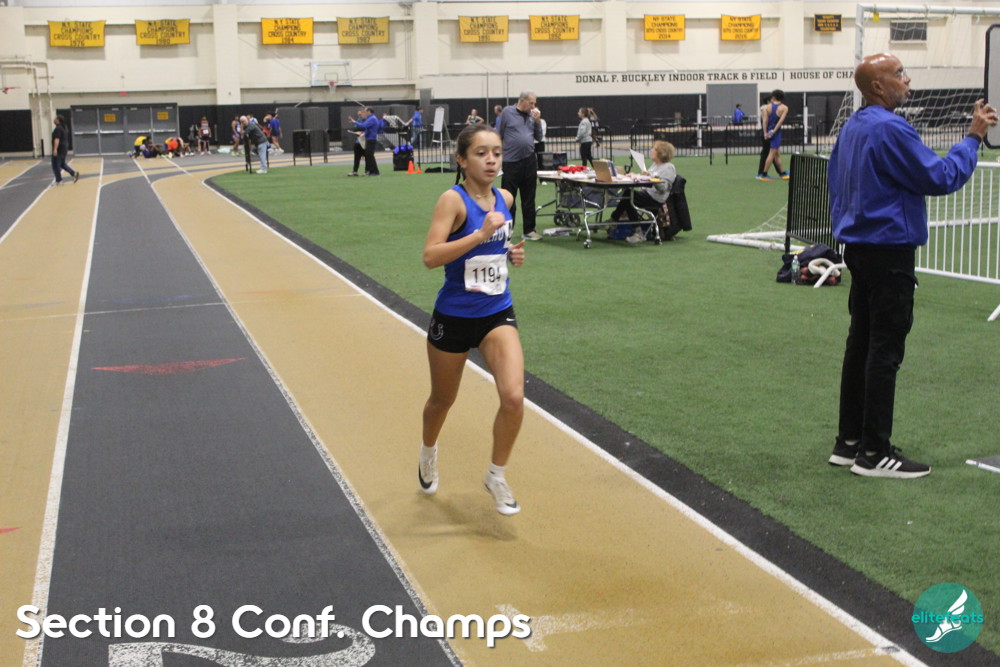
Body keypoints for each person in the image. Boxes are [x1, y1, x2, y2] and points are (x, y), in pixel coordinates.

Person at [827, 53, 997, 479]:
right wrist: (972, 138)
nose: (907, 80)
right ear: (878, 87)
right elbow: (940, 177)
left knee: (861, 345)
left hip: (859, 248)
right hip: (888, 251)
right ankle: (874, 453)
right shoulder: (890, 128)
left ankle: (850, 442)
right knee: (884, 350)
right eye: (899, 74)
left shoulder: (853, 127)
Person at [419, 123, 527, 515]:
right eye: (481, 153)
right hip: (454, 316)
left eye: (496, 152)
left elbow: (499, 247)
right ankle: (428, 451)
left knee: (513, 397)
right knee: (441, 401)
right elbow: (430, 257)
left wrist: (511, 253)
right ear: (462, 160)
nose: (491, 160)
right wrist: (479, 235)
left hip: (496, 312)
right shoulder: (453, 201)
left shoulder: (506, 197)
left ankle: (496, 475)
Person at [497, 92, 543, 241]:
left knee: (529, 197)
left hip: (529, 161)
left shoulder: (533, 116)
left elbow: (539, 137)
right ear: (522, 101)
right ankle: (507, 231)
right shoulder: (507, 112)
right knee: (509, 197)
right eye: (531, 103)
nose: (534, 106)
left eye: (535, 103)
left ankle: (529, 230)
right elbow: (499, 134)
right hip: (511, 162)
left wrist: (537, 122)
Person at [611, 140, 676, 244]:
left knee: (628, 196)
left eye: (654, 149)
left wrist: (652, 178)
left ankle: (618, 222)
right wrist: (636, 176)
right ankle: (615, 221)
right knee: (628, 196)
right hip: (646, 193)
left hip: (655, 198)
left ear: (661, 152)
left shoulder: (668, 168)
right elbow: (647, 179)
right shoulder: (655, 165)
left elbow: (663, 188)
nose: (651, 150)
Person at [757, 90, 789, 181]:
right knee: (772, 154)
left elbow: (765, 121)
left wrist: (765, 133)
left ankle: (782, 173)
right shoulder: (784, 108)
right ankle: (764, 173)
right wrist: (774, 131)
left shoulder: (767, 107)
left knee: (777, 153)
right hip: (775, 133)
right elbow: (780, 121)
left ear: (774, 97)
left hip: (768, 132)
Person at [349, 107, 381, 176]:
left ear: (369, 111)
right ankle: (373, 171)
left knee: (370, 156)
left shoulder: (372, 118)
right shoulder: (371, 118)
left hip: (371, 139)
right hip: (369, 138)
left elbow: (364, 126)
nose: (365, 113)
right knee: (369, 156)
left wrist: (354, 121)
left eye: (365, 111)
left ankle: (374, 171)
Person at [50, 115, 79, 185]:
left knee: (55, 164)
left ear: (58, 120)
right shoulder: (64, 128)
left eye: (55, 118)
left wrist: (55, 149)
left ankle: (59, 180)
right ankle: (74, 173)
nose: (54, 119)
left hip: (59, 149)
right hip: (64, 148)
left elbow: (57, 139)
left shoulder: (58, 129)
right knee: (62, 164)